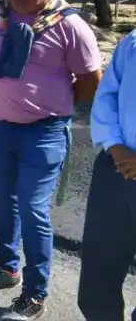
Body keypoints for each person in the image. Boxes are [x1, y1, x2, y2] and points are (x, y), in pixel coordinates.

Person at [0, 0, 102, 321]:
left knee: (33, 210)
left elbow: (91, 79)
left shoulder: (70, 25)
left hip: (43, 133)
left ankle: (35, 293)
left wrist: (52, 103)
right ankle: (6, 268)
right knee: (2, 199)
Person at [80, 29, 136, 320]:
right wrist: (115, 146)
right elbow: (107, 95)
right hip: (116, 169)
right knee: (99, 270)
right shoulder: (133, 42)